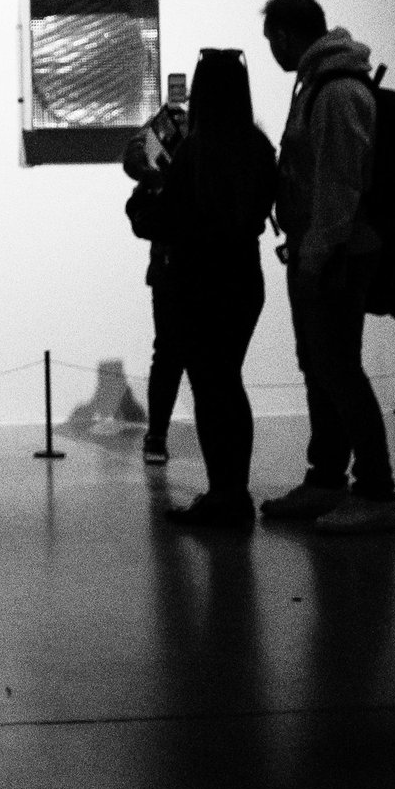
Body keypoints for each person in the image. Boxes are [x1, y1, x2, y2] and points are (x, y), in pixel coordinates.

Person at [258, 0, 395, 534]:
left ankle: (376, 491)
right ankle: (325, 479)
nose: (272, 52)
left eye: (272, 40)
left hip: (336, 254)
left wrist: (316, 255)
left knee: (339, 370)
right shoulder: (319, 84)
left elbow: (340, 184)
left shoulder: (336, 91)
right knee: (321, 367)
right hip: (320, 250)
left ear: (285, 35)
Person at [147, 50, 278, 528]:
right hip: (244, 277)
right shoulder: (258, 146)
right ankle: (232, 491)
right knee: (229, 384)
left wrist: (143, 201)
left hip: (200, 280)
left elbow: (167, 218)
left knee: (210, 387)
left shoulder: (196, 151)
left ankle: (225, 494)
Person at [123, 137, 185, 466]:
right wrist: (151, 181)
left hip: (185, 270)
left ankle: (158, 435)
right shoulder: (171, 134)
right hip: (171, 271)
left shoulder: (195, 145)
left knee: (175, 358)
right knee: (169, 357)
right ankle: (157, 434)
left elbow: (144, 219)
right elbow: (142, 217)